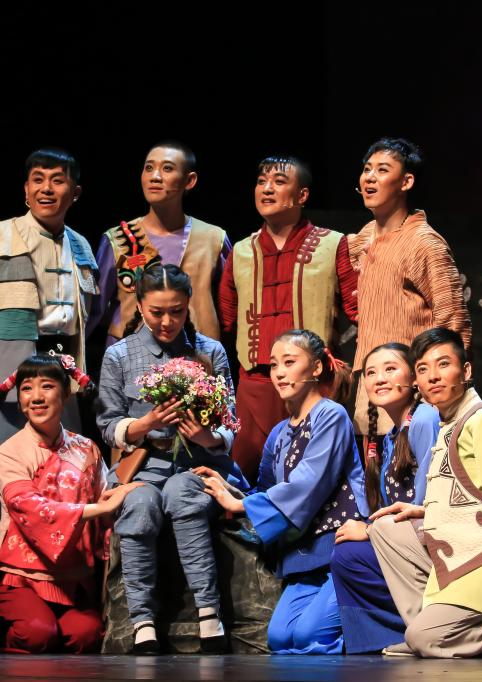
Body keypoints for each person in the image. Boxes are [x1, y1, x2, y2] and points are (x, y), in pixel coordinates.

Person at [367, 327, 482, 658]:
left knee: (424, 639)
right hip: (461, 554)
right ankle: (429, 631)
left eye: (443, 364)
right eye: (423, 369)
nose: (433, 376)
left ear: (466, 371)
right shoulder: (449, 423)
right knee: (386, 528)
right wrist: (425, 511)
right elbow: (469, 493)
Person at [97, 263, 248, 654]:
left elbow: (231, 422)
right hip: (145, 464)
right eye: (156, 312)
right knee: (140, 503)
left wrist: (206, 436)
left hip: (198, 461)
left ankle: (209, 613)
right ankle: (142, 621)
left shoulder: (210, 350)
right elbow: (108, 424)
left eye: (177, 311)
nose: (167, 321)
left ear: (188, 305)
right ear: (139, 306)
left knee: (183, 492)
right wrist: (144, 424)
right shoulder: (119, 355)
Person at [202, 329, 360, 654]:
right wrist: (222, 472)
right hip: (305, 555)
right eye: (274, 365)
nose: (279, 373)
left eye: (289, 362)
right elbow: (264, 490)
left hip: (339, 548)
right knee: (280, 638)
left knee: (307, 636)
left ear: (316, 367)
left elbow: (307, 483)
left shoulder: (331, 415)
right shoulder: (279, 432)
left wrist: (240, 505)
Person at [0, 354, 144, 653]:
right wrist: (99, 509)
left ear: (66, 393)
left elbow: (103, 498)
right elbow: (29, 507)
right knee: (37, 634)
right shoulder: (10, 452)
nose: (36, 397)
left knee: (86, 635)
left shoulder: (86, 448)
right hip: (23, 575)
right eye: (27, 389)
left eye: (47, 386)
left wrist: (129, 492)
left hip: (72, 576)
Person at [219, 155, 358, 484]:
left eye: (279, 182)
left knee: (312, 476)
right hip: (255, 383)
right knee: (240, 473)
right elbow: (227, 318)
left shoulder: (332, 244)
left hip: (313, 383)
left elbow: (358, 310)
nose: (267, 189)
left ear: (302, 195)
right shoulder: (241, 250)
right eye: (261, 182)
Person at [0, 147, 99, 453]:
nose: (46, 188)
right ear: (26, 190)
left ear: (75, 193)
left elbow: (89, 317)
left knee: (63, 468)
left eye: (58, 180)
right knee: (2, 464)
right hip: (3, 382)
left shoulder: (81, 246)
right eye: (38, 180)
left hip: (62, 381)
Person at [347, 138, 470, 437]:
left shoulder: (424, 243)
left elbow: (453, 322)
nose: (370, 178)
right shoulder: (364, 238)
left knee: (410, 464)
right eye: (367, 169)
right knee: (374, 466)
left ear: (406, 181)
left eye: (382, 170)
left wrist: (444, 391)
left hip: (412, 390)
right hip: (372, 385)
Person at [329, 342, 439, 654]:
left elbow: (426, 503)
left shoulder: (424, 418)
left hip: (429, 540)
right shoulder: (391, 436)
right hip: (404, 540)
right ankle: (391, 636)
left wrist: (371, 530)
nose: (379, 379)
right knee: (345, 552)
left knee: (350, 555)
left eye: (390, 369)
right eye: (371, 373)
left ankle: (419, 628)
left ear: (414, 378)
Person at [91, 141, 231, 346]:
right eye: (149, 168)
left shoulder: (213, 238)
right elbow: (94, 309)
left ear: (189, 180)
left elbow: (230, 306)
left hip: (196, 354)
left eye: (167, 168)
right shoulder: (119, 239)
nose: (155, 176)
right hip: (131, 354)